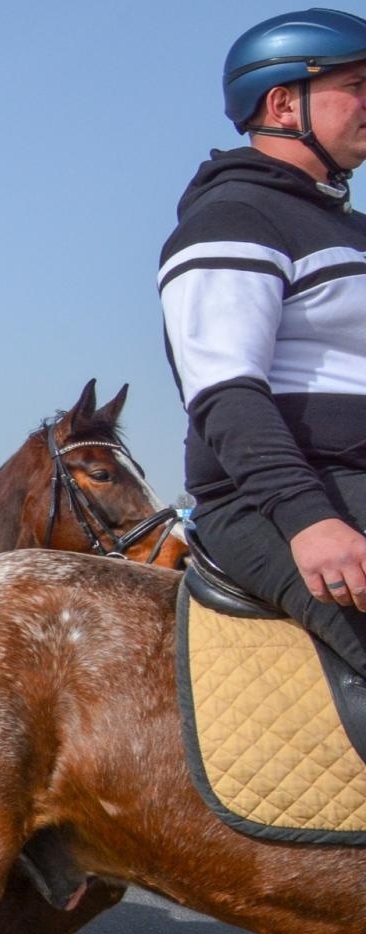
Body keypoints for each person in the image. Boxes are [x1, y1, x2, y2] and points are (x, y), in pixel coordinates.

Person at [161, 8, 366, 674]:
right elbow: (225, 393)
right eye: (357, 85)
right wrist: (307, 518)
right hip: (280, 499)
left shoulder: (348, 228)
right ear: (283, 103)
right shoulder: (232, 217)